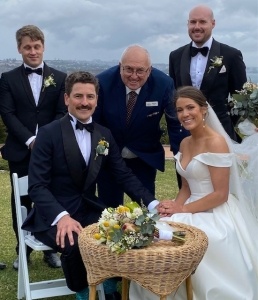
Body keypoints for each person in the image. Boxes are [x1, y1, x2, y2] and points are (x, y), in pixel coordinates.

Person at [22, 71, 157, 300]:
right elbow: (37, 186)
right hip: (51, 214)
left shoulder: (104, 134)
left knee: (122, 233)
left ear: (96, 100)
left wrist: (152, 203)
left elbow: (122, 174)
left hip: (88, 207)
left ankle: (112, 289)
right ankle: (85, 293)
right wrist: (61, 217)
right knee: (76, 243)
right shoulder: (48, 133)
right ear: (67, 99)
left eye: (90, 97)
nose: (85, 103)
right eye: (78, 96)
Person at [129, 86, 258, 299]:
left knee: (198, 242)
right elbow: (187, 187)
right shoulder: (185, 142)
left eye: (190, 108)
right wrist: (174, 208)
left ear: (204, 109)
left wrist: (183, 208)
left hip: (215, 211)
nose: (185, 114)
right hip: (189, 206)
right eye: (180, 110)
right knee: (156, 234)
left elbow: (220, 194)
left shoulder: (216, 142)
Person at [0, 25, 66, 270]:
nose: (32, 51)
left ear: (43, 47)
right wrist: (30, 140)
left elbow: (61, 113)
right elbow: (7, 113)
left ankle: (50, 249)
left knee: (52, 201)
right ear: (19, 49)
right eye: (27, 47)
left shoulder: (59, 78)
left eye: (36, 46)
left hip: (51, 154)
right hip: (20, 152)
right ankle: (23, 252)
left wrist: (46, 141)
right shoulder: (8, 79)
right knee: (22, 203)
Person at [93, 44, 186, 207]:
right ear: (120, 66)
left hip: (144, 157)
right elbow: (94, 123)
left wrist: (183, 156)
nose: (134, 76)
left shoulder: (164, 84)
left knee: (146, 208)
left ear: (149, 70)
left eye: (140, 71)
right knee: (108, 210)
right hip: (109, 158)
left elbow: (174, 123)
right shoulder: (102, 82)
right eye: (128, 69)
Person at [169, 5, 247, 142]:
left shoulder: (231, 55)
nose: (197, 26)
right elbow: (175, 97)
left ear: (213, 23)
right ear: (188, 24)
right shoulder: (175, 56)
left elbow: (240, 98)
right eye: (193, 22)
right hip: (186, 134)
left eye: (202, 22)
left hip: (222, 132)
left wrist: (225, 120)